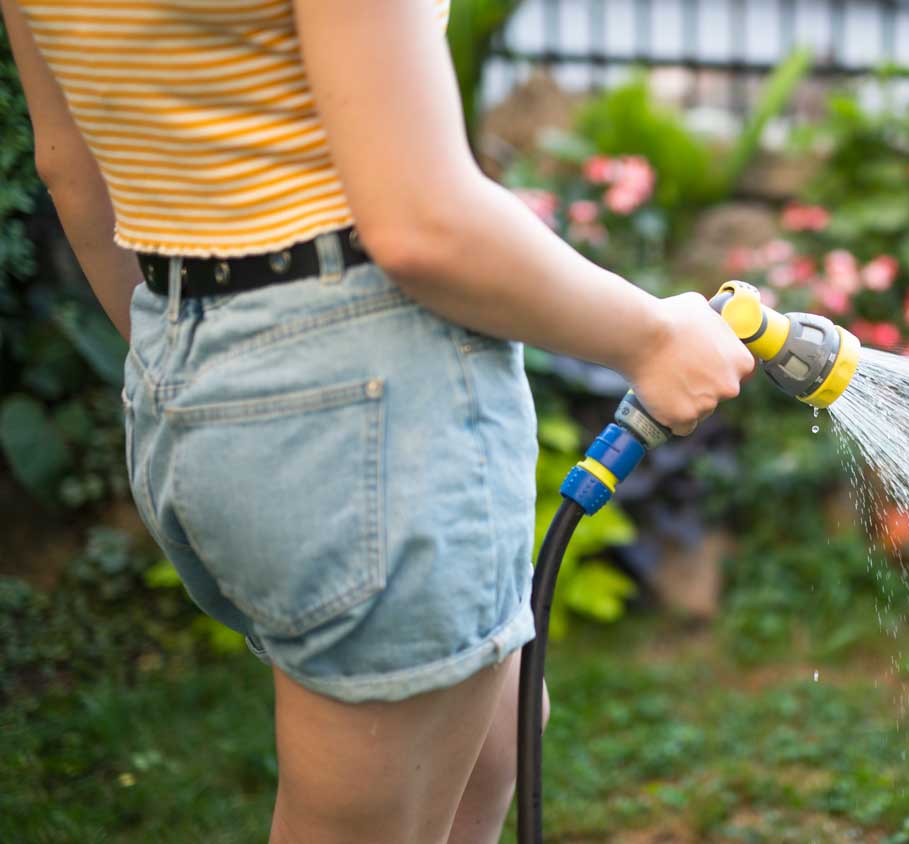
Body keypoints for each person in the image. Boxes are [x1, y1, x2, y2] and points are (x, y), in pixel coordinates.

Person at [0, 0, 755, 841]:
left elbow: (71, 170)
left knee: (500, 729)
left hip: (189, 361)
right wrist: (652, 338)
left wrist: (203, 373)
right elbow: (423, 224)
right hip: (364, 386)